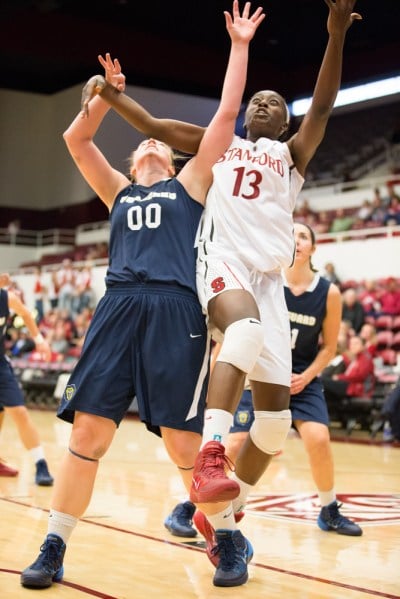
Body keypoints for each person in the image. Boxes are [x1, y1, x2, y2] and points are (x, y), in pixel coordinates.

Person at [83, 0, 362, 575]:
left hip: (267, 283)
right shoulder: (221, 143)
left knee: (274, 428)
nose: (262, 102)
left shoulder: (292, 154)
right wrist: (109, 97)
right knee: (241, 330)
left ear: (284, 123)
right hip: (220, 264)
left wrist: (334, 35)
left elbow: (326, 106)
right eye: (256, 98)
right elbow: (154, 127)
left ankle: (222, 511)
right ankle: (211, 455)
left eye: (275, 103)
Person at [21, 2, 265, 590]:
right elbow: (75, 138)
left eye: (158, 148)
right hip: (118, 308)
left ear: (171, 157)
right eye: (142, 152)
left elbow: (228, 115)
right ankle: (55, 545)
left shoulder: (191, 186)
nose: (151, 151)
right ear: (133, 163)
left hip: (175, 309)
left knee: (184, 444)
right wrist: (104, 94)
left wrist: (239, 45)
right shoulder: (119, 194)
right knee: (87, 436)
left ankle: (226, 537)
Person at [166, 223, 362, 539]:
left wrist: (307, 376)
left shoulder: (329, 292)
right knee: (233, 443)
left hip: (302, 376)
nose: (296, 241)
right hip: (259, 374)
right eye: (292, 234)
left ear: (312, 248)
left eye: (304, 236)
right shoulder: (266, 282)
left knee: (319, 439)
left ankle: (329, 508)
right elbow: (233, 334)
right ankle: (188, 506)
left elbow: (329, 346)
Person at [0, 272, 54, 485]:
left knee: (20, 412)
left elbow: (26, 314)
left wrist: (39, 340)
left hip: (0, 365)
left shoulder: (7, 298)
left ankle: (41, 464)